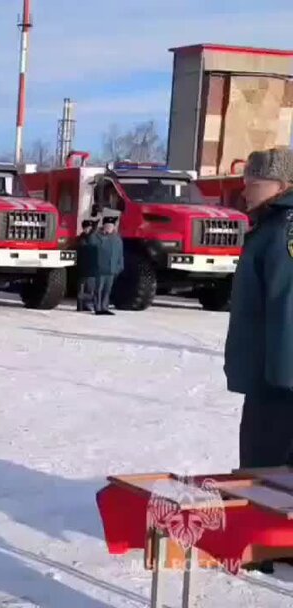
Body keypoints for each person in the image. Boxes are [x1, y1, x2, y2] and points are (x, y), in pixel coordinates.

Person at [224, 146, 293, 574]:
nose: (247, 187)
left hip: (279, 378)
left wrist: (285, 379)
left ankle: (269, 544)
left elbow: (289, 304)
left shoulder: (285, 229)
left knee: (267, 462)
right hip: (269, 371)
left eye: (257, 180)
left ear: (283, 186)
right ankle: (274, 542)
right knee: (270, 463)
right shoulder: (270, 225)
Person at [91, 216, 124, 316]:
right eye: (107, 226)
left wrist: (120, 266)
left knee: (107, 290)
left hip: (111, 269)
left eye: (111, 226)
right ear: (104, 226)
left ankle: (105, 307)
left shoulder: (117, 239)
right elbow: (91, 245)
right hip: (100, 269)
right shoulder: (97, 237)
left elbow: (120, 254)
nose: (109, 228)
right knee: (98, 289)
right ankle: (98, 308)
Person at [76, 220, 98, 312]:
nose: (86, 229)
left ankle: (87, 304)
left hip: (91, 268)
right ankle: (80, 306)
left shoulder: (93, 238)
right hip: (82, 267)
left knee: (89, 288)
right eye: (85, 228)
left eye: (88, 228)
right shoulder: (81, 238)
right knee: (81, 288)